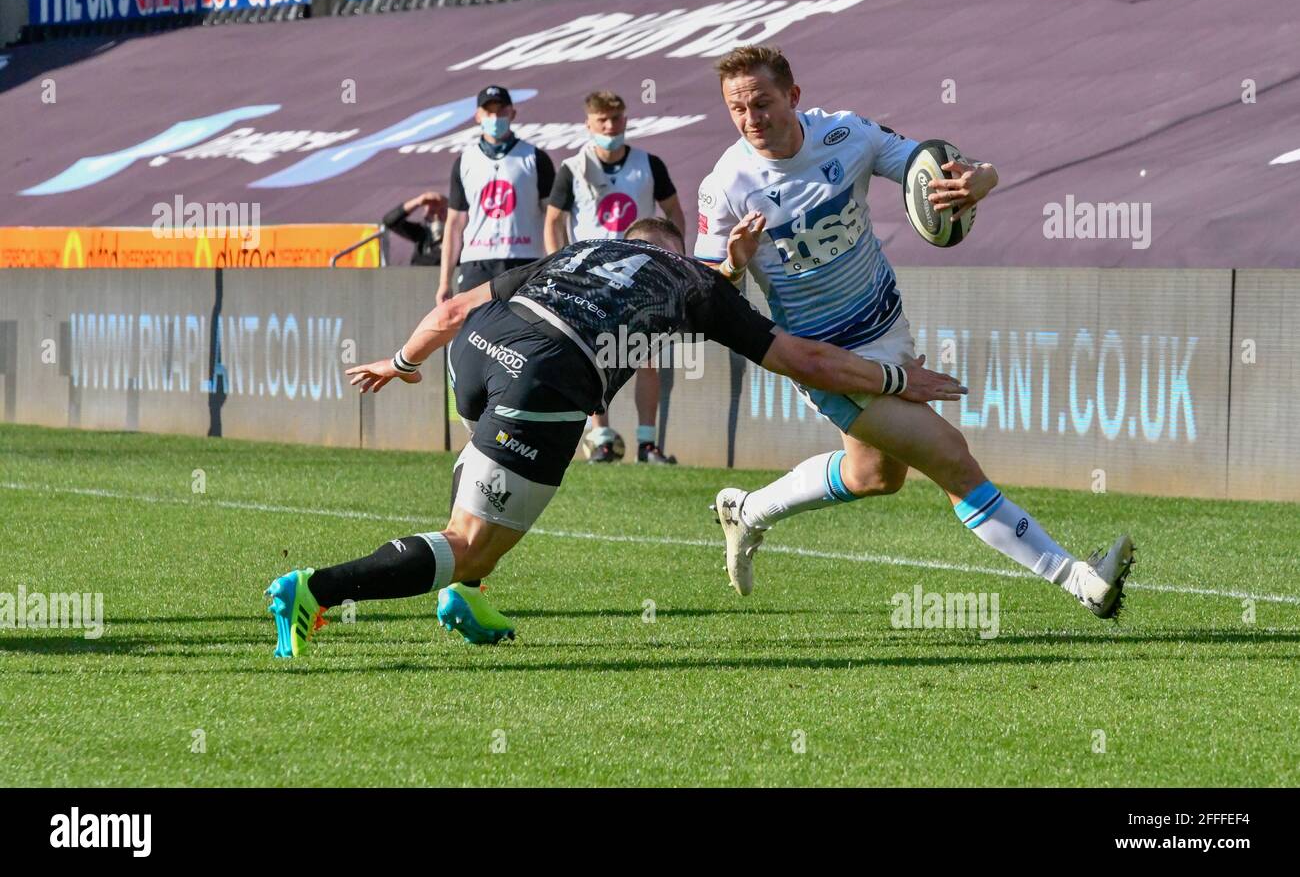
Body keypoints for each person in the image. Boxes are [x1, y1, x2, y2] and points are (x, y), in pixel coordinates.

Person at [264, 217, 967, 656]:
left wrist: (399, 363)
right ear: (684, 251)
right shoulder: (695, 281)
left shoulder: (580, 252)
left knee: (488, 480)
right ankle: (314, 590)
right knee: (472, 534)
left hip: (476, 351)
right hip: (547, 374)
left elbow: (451, 307)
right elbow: (804, 359)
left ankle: (467, 597)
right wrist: (897, 380)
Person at [693, 45, 1134, 617]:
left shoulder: (847, 134)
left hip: (885, 323)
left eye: (762, 102)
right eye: (738, 107)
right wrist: (732, 263)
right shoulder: (725, 184)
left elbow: (937, 165)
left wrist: (982, 180)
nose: (752, 118)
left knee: (874, 474)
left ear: (794, 97)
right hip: (823, 359)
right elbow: (707, 292)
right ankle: (1081, 581)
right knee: (950, 456)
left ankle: (748, 511)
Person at [544, 90, 684, 465]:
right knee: (594, 357)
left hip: (640, 273)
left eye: (616, 119)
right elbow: (554, 219)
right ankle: (601, 437)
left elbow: (673, 211)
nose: (610, 127)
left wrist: (674, 259)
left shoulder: (648, 164)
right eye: (602, 121)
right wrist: (557, 264)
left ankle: (647, 443)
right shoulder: (573, 168)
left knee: (646, 357)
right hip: (591, 276)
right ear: (589, 124)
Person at [437, 85, 554, 303]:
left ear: (512, 113)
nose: (495, 117)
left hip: (525, 258)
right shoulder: (465, 161)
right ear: (478, 116)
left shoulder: (534, 158)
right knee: (473, 329)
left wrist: (555, 262)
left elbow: (552, 216)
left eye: (501, 111)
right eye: (489, 112)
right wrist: (445, 281)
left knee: (525, 328)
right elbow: (454, 224)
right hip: (478, 261)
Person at [382, 190, 446, 266]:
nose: (437, 217)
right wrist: (418, 201)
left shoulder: (459, 237)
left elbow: (431, 260)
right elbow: (390, 221)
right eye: (431, 212)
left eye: (441, 212)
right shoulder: (423, 234)